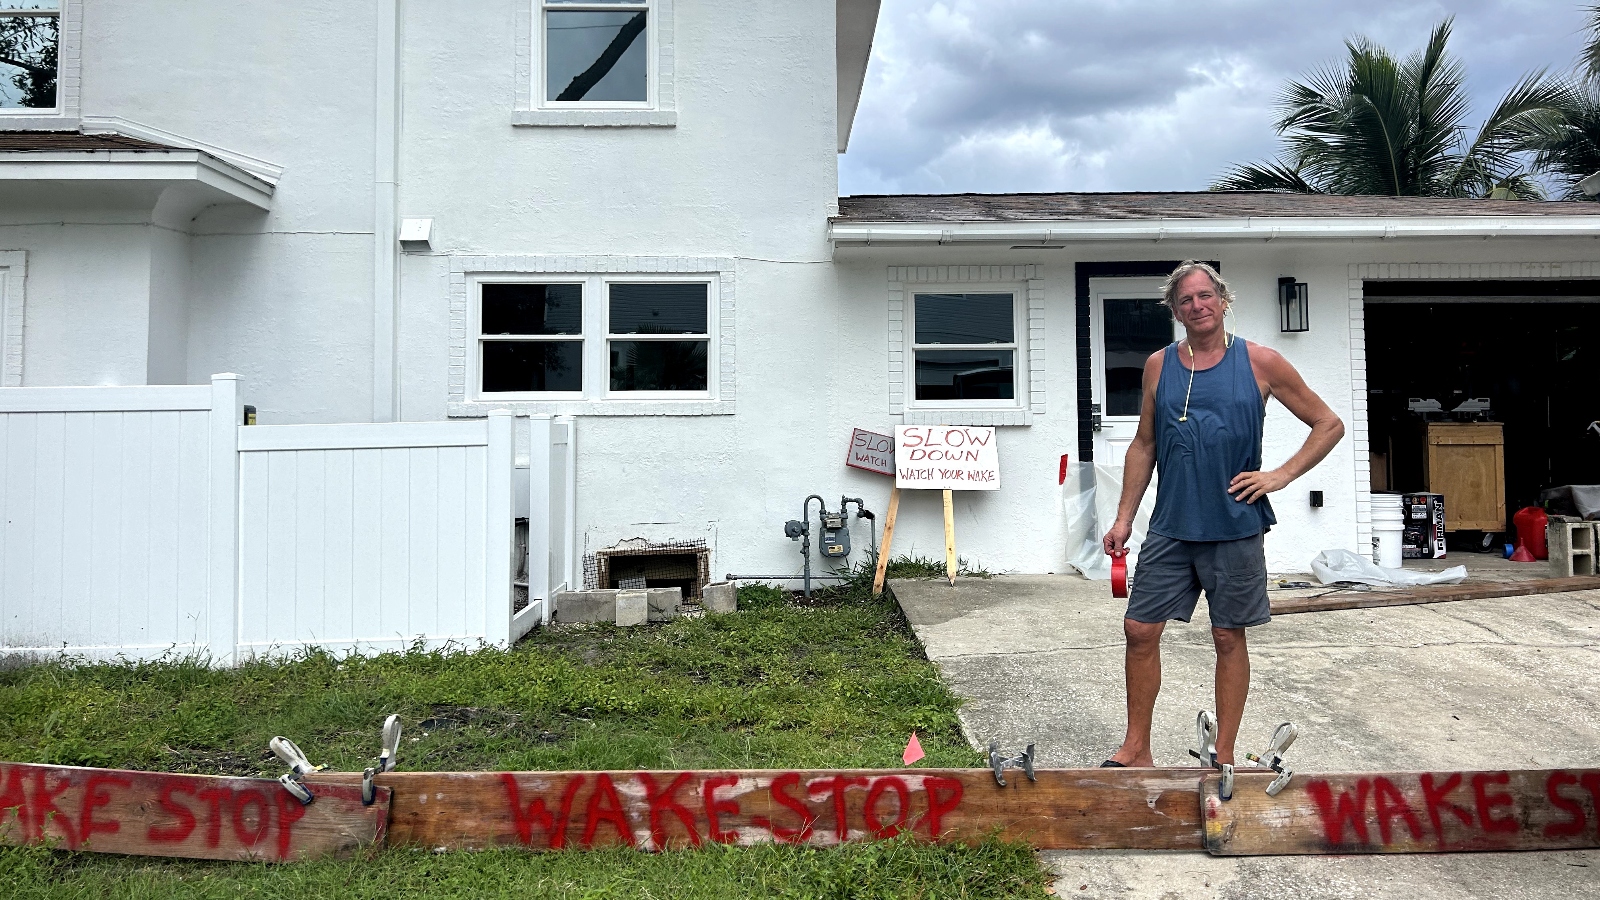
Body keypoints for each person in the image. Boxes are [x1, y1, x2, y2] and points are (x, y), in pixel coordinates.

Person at [1100, 261, 1344, 768]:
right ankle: (1135, 748)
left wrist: (1279, 476)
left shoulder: (1261, 361)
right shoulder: (1159, 365)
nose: (1198, 305)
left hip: (1234, 526)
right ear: (1175, 310)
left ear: (1223, 299)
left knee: (1228, 636)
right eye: (1186, 300)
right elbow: (1144, 444)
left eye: (1205, 295)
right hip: (1171, 525)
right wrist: (1124, 517)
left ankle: (1224, 754)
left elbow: (1327, 424)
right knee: (1139, 630)